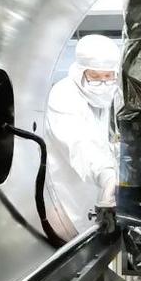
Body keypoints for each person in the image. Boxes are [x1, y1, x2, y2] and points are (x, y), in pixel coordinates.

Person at [45, 34, 121, 236]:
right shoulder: (63, 96)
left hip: (98, 200)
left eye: (109, 76)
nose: (104, 84)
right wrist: (107, 175)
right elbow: (81, 147)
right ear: (80, 72)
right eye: (95, 77)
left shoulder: (111, 96)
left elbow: (111, 140)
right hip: (66, 205)